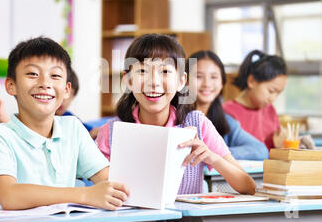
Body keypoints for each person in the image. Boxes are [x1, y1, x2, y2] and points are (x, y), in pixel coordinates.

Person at [0, 36, 129, 210]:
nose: (45, 83)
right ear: (11, 85)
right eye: (33, 74)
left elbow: (108, 179)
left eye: (55, 75)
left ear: (66, 90)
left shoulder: (73, 128)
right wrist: (85, 194)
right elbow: (9, 196)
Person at [96, 34, 256, 195]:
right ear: (128, 81)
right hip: (132, 220)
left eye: (165, 71)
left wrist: (212, 158)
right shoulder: (111, 132)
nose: (154, 82)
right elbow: (96, 190)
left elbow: (248, 186)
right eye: (142, 71)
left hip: (186, 220)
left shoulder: (198, 124)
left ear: (181, 81)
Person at [187, 50, 269, 160]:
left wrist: (214, 153)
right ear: (185, 81)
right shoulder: (173, 116)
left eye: (214, 77)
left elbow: (260, 151)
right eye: (199, 76)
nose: (207, 84)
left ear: (222, 83)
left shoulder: (226, 121)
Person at [223, 49, 287, 151]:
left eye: (278, 93)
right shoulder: (227, 112)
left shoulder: (270, 110)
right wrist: (272, 144)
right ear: (252, 81)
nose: (273, 99)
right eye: (271, 91)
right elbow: (234, 152)